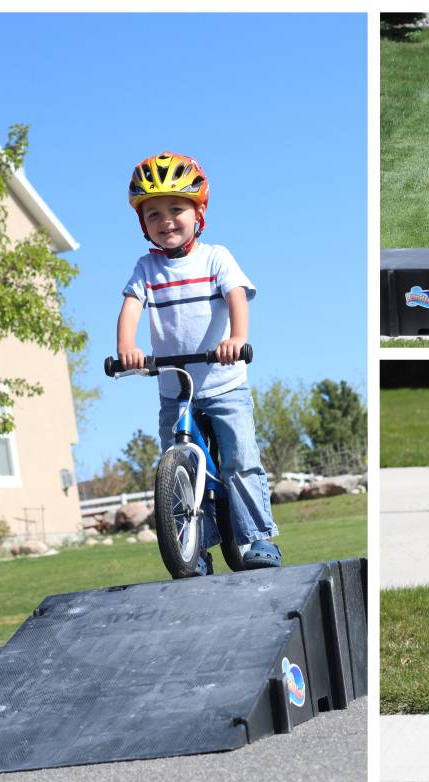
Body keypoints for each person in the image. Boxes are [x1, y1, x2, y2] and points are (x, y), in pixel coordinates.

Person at [116, 151, 279, 575]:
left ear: (198, 212)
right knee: (180, 471)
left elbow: (236, 295)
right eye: (154, 213)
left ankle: (256, 536)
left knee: (240, 458)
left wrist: (237, 338)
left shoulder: (215, 257)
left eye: (176, 209)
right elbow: (132, 307)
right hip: (175, 388)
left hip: (224, 383)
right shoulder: (146, 268)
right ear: (143, 223)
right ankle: (195, 551)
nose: (166, 220)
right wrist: (126, 348)